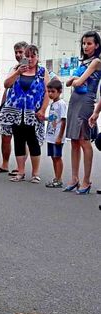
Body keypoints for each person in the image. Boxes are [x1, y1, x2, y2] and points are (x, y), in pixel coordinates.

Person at [0, 44, 49, 183]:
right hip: (16, 112)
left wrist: (43, 109)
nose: (30, 59)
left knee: (33, 142)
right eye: (28, 56)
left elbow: (47, 93)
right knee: (19, 141)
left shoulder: (42, 71)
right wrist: (17, 73)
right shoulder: (17, 69)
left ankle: (35, 173)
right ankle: (20, 172)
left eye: (33, 56)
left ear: (38, 57)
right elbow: (6, 84)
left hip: (33, 112)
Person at [64, 31, 101, 194]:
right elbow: (68, 83)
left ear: (97, 45)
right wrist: (74, 80)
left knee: (84, 140)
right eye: (84, 43)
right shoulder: (83, 62)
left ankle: (86, 180)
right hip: (74, 100)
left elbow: (77, 81)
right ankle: (74, 178)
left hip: (87, 101)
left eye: (89, 43)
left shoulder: (96, 61)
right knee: (74, 140)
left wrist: (75, 80)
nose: (86, 46)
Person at [0, 41, 28, 174]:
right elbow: (7, 86)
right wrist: (1, 106)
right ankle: (5, 163)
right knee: (5, 136)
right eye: (16, 52)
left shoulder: (34, 68)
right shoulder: (13, 68)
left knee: (22, 138)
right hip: (8, 106)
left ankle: (20, 167)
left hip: (24, 108)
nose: (18, 55)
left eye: (21, 52)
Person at [45, 79, 67, 188]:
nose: (50, 94)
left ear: (59, 91)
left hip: (57, 136)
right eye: (48, 91)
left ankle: (59, 179)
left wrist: (60, 136)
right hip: (50, 135)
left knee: (57, 157)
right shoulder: (53, 104)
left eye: (52, 91)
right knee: (53, 157)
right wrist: (44, 118)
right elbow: (54, 118)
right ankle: (56, 177)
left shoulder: (61, 104)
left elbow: (63, 120)